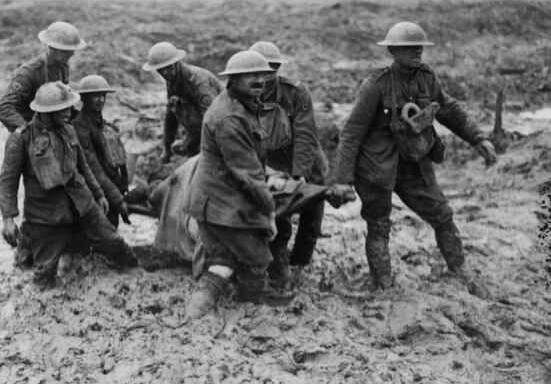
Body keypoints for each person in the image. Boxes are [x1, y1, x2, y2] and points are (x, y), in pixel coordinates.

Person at [333, 22, 497, 295]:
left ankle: (459, 270)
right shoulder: (375, 86)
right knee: (378, 225)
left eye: (419, 47)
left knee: (443, 214)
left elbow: (449, 110)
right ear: (393, 51)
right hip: (376, 167)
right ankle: (383, 285)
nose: (416, 52)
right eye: (409, 48)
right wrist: (342, 180)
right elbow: (350, 134)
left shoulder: (427, 78)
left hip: (414, 162)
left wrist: (478, 138)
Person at [184, 51, 295, 319]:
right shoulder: (229, 117)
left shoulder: (244, 106)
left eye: (262, 75)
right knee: (259, 259)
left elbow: (251, 161)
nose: (259, 80)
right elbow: (247, 173)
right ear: (234, 79)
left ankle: (194, 317)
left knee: (222, 265)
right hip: (221, 204)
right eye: (251, 76)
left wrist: (270, 177)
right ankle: (251, 311)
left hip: (216, 199)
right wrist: (268, 212)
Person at [0, 81, 137, 288]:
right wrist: (8, 219)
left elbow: (84, 167)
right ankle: (28, 250)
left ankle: (137, 279)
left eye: (68, 107)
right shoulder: (21, 140)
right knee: (44, 278)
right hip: (46, 217)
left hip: (83, 206)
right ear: (46, 113)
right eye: (62, 109)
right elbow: (7, 181)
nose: (69, 112)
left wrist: (99, 195)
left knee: (116, 245)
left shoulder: (69, 130)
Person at [249, 41, 337, 287]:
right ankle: (278, 265)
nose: (265, 78)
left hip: (306, 159)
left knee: (311, 217)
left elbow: (305, 135)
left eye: (271, 71)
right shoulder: (243, 96)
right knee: (277, 215)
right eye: (259, 72)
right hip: (271, 161)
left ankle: (300, 264)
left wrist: (300, 175)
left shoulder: (296, 93)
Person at [0, 21, 86, 132]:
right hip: (32, 134)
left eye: (72, 50)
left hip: (54, 130)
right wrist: (28, 132)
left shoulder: (62, 67)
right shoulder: (29, 73)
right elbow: (4, 108)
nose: (72, 54)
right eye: (66, 50)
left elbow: (64, 102)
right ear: (51, 47)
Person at [142, 42, 223, 163]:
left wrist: (206, 150)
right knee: (190, 153)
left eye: (168, 67)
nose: (164, 73)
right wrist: (167, 146)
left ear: (176, 63)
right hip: (199, 129)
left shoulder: (197, 81)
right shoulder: (172, 81)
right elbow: (171, 116)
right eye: (160, 69)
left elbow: (211, 119)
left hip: (221, 128)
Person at [70, 75, 131, 228]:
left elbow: (119, 163)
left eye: (103, 95)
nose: (101, 100)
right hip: (95, 194)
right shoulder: (80, 127)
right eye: (95, 95)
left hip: (110, 189)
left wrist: (123, 190)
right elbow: (92, 167)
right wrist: (117, 198)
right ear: (83, 98)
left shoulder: (105, 126)